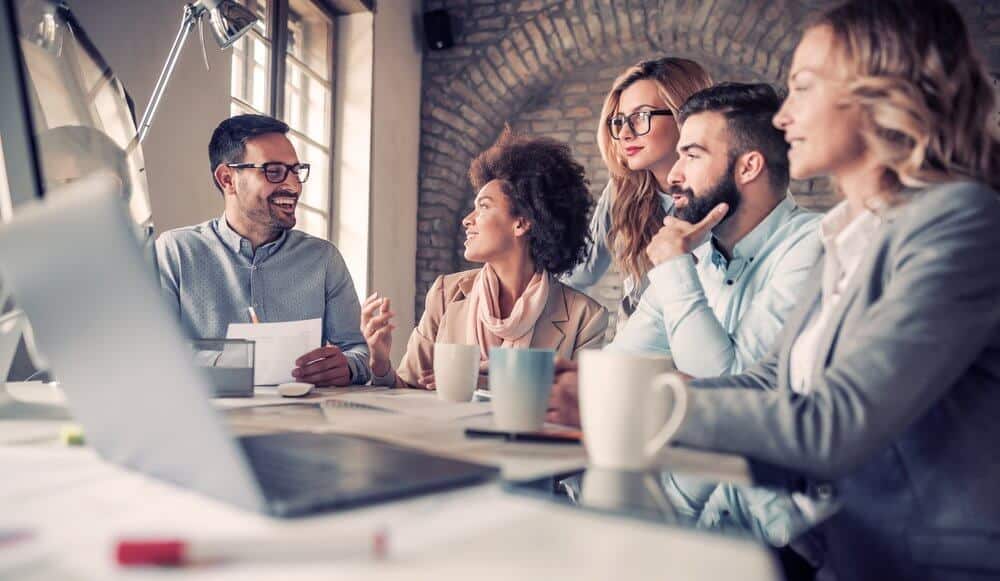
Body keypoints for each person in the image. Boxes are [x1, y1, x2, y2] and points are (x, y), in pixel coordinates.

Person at [553, 0, 1000, 578]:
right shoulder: (851, 230)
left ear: (881, 93)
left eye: (804, 88)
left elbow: (834, 421)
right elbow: (773, 378)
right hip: (839, 550)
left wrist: (634, 406)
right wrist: (604, 389)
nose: (785, 118)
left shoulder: (960, 220)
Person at [363, 129, 608, 389]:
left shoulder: (585, 317)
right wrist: (379, 362)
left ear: (522, 222)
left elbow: (579, 408)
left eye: (483, 206)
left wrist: (487, 385)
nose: (467, 220)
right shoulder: (446, 294)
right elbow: (407, 390)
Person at [608, 82, 821, 378]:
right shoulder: (695, 254)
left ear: (748, 168)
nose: (673, 175)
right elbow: (620, 363)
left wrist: (673, 268)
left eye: (692, 155)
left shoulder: (816, 247)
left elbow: (730, 386)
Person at [155, 114, 371, 386]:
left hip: (303, 423)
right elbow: (154, 354)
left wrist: (348, 366)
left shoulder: (324, 259)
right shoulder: (175, 252)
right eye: (274, 171)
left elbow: (358, 351)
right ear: (227, 179)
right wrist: (242, 362)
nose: (293, 185)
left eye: (296, 170)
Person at [562, 57, 713, 321]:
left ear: (685, 115)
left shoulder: (726, 190)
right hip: (633, 352)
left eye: (641, 116)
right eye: (619, 120)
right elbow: (580, 273)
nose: (625, 133)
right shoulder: (623, 191)